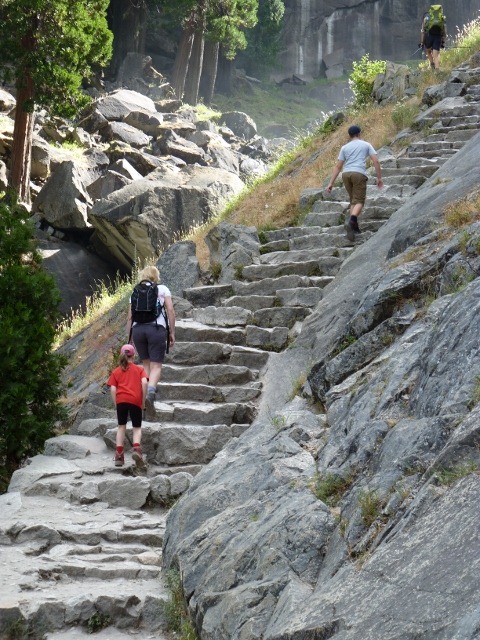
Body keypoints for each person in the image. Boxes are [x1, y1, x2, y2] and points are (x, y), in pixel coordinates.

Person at [127, 265, 176, 421]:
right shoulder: (162, 289)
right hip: (156, 329)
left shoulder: (134, 292)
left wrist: (130, 339)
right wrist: (172, 332)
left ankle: (141, 398)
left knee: (146, 364)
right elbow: (170, 310)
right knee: (156, 366)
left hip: (137, 331)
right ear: (156, 276)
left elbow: (130, 317)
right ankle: (150, 393)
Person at [326, 125, 383, 242]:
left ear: (350, 135)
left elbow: (338, 166)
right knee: (360, 201)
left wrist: (330, 183)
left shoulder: (345, 147)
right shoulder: (366, 145)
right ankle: (352, 220)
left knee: (353, 201)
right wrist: (379, 178)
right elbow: (376, 161)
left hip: (346, 174)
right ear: (359, 133)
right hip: (358, 173)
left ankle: (353, 227)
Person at [107, 343, 148, 468]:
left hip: (121, 400)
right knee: (136, 427)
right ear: (134, 356)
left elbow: (113, 388)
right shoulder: (139, 370)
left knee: (121, 427)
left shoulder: (116, 371)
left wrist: (116, 403)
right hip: (135, 400)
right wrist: (143, 401)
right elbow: (144, 382)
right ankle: (136, 450)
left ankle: (119, 455)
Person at [420, 6, 447, 70]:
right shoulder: (442, 18)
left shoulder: (426, 18)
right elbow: (445, 32)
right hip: (438, 37)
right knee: (436, 55)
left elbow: (422, 31)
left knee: (428, 51)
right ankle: (437, 70)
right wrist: (443, 41)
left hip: (428, 37)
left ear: (430, 11)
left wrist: (422, 42)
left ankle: (432, 64)